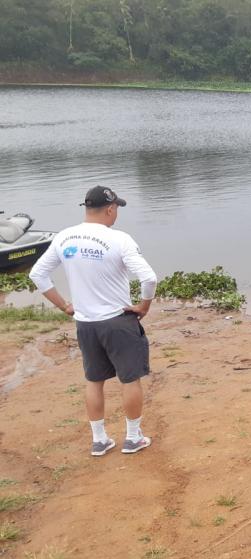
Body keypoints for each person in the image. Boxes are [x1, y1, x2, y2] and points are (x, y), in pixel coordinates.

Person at [29, 186, 158, 457]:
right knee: (130, 379)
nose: (117, 213)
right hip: (118, 321)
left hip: (86, 324)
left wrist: (64, 305)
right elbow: (148, 278)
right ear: (110, 209)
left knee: (94, 380)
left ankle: (99, 440)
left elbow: (37, 274)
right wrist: (144, 306)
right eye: (117, 208)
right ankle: (133, 438)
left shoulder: (64, 236)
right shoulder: (119, 239)